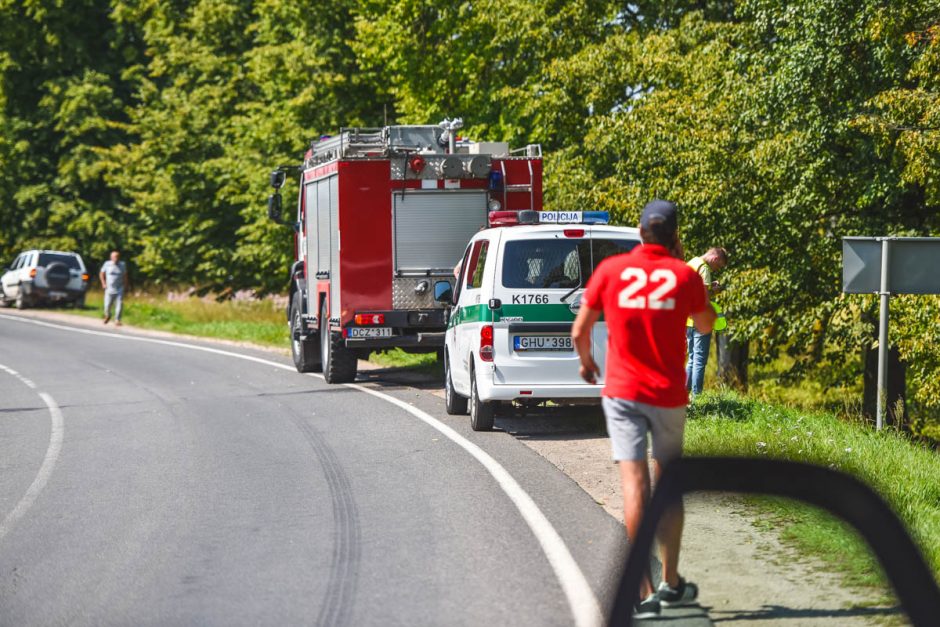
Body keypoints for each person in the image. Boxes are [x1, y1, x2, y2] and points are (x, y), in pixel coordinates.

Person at [571, 200, 716, 619]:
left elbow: (580, 330)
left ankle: (646, 590)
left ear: (639, 232)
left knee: (634, 486)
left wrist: (587, 363)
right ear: (675, 237)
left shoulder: (611, 272)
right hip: (667, 395)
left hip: (623, 392)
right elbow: (705, 325)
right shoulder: (684, 275)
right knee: (668, 484)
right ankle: (672, 583)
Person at [685, 247, 728, 396]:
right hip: (699, 320)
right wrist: (714, 291)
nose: (716, 269)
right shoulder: (704, 269)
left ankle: (683, 393)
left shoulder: (692, 263)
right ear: (715, 259)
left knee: (691, 358)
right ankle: (697, 397)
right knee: (699, 361)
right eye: (718, 265)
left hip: (687, 319)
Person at [99, 250, 129, 326]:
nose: (116, 258)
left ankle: (117, 320)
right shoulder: (107, 264)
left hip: (119, 288)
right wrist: (103, 283)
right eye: (114, 257)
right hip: (109, 288)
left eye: (117, 257)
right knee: (107, 305)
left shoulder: (122, 265)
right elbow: (101, 273)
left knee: (119, 304)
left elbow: (125, 276)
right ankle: (107, 315)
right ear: (111, 257)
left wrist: (125, 286)